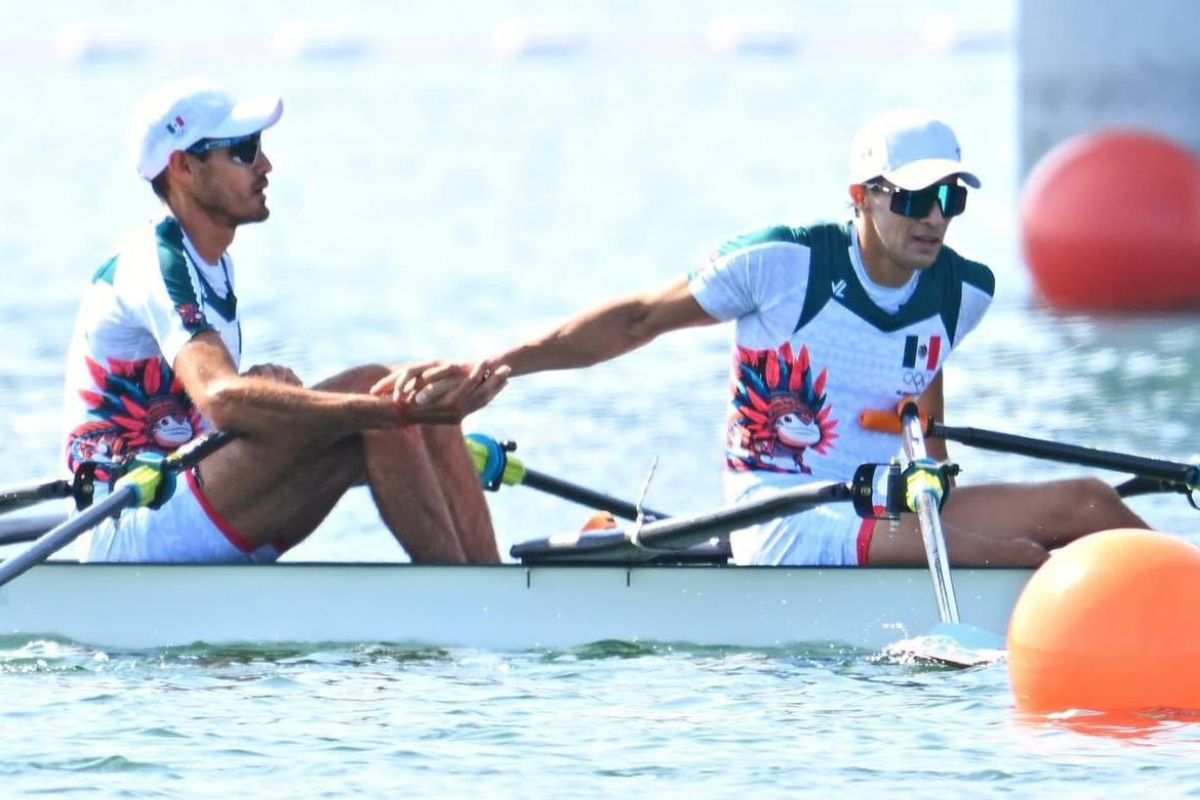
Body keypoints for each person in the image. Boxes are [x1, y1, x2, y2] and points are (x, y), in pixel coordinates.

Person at [379, 107, 1147, 567]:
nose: (935, 217)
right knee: (1018, 560)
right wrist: (497, 364)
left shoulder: (964, 291)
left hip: (890, 508)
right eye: (914, 196)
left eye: (950, 196)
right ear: (862, 196)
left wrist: (935, 464)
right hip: (781, 516)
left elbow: (919, 381)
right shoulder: (782, 263)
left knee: (1086, 504)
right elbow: (636, 320)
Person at [62, 77, 509, 564]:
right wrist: (391, 414)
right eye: (244, 150)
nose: (265, 165)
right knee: (380, 395)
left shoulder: (211, 262)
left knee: (412, 398)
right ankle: (465, 602)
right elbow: (219, 396)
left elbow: (210, 401)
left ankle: (489, 588)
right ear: (184, 167)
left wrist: (406, 414)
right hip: (130, 525)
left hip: (180, 499)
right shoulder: (155, 263)